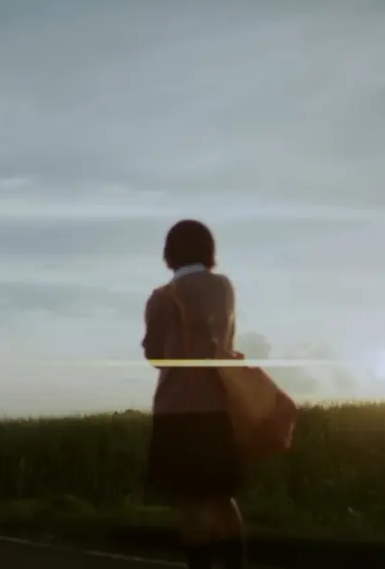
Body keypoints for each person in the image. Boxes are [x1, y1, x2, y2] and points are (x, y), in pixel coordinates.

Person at [142, 219, 247, 569]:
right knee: (221, 496)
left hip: (178, 409)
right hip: (219, 405)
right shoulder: (224, 288)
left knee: (189, 502)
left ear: (169, 253)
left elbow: (155, 355)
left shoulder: (162, 297)